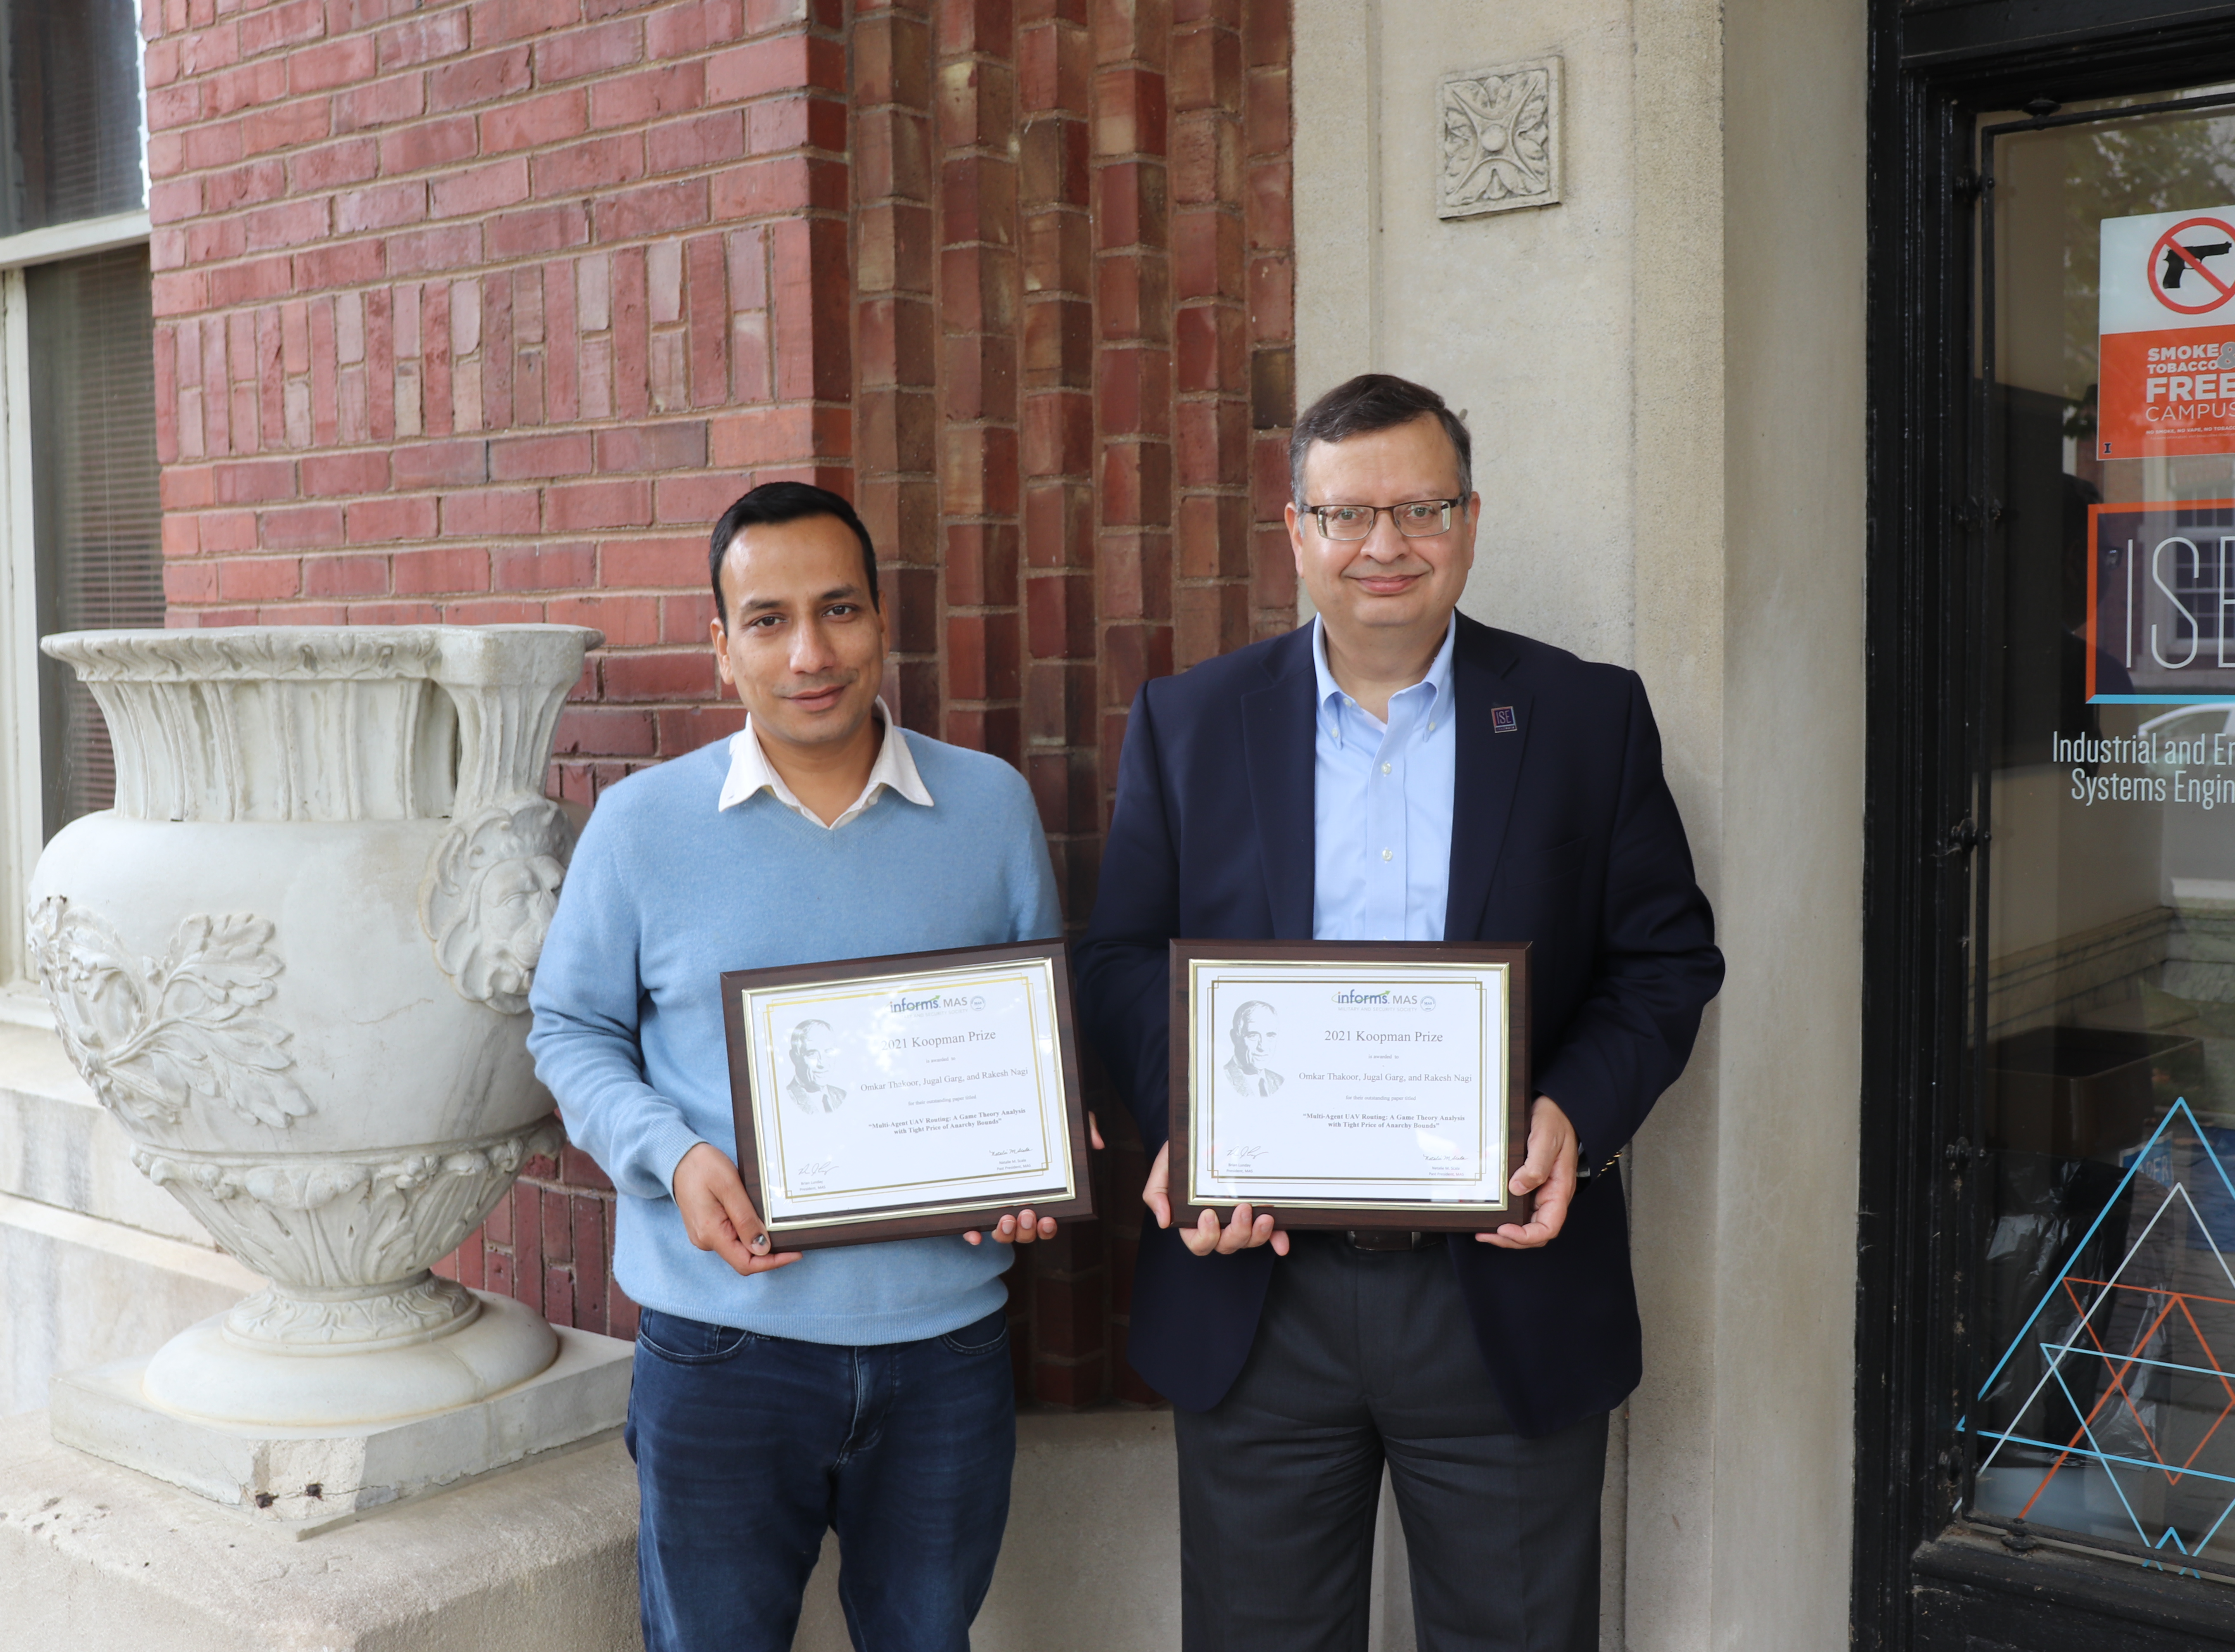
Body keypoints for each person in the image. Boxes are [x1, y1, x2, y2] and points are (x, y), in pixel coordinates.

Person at [1076, 373, 1723, 1652]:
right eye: (1348, 513)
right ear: (1294, 529)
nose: (1385, 544)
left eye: (1420, 507)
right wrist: (1188, 1129)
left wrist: (1568, 1111)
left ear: (1469, 521)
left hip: (1499, 1292)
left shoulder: (1587, 719)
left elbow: (1663, 962)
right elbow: (1117, 959)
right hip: (1255, 1293)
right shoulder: (1187, 722)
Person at [528, 481, 1070, 1652]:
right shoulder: (641, 827)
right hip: (723, 1346)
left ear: (883, 622)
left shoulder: (990, 808)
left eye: (840, 611)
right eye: (767, 620)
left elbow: (1032, 1037)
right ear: (722, 649)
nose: (810, 652)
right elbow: (567, 1031)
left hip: (944, 1346)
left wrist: (1035, 1153)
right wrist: (672, 1158)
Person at [1220, 1000, 1284, 1097]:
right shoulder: (1219, 1080)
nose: (1263, 1047)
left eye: (1270, 1036)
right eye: (1253, 1036)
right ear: (1235, 1038)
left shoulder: (1279, 1081)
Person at [783, 1019, 847, 1113]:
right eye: (812, 1054)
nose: (823, 1064)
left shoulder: (842, 1096)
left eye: (829, 1052)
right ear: (794, 1058)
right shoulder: (785, 1102)